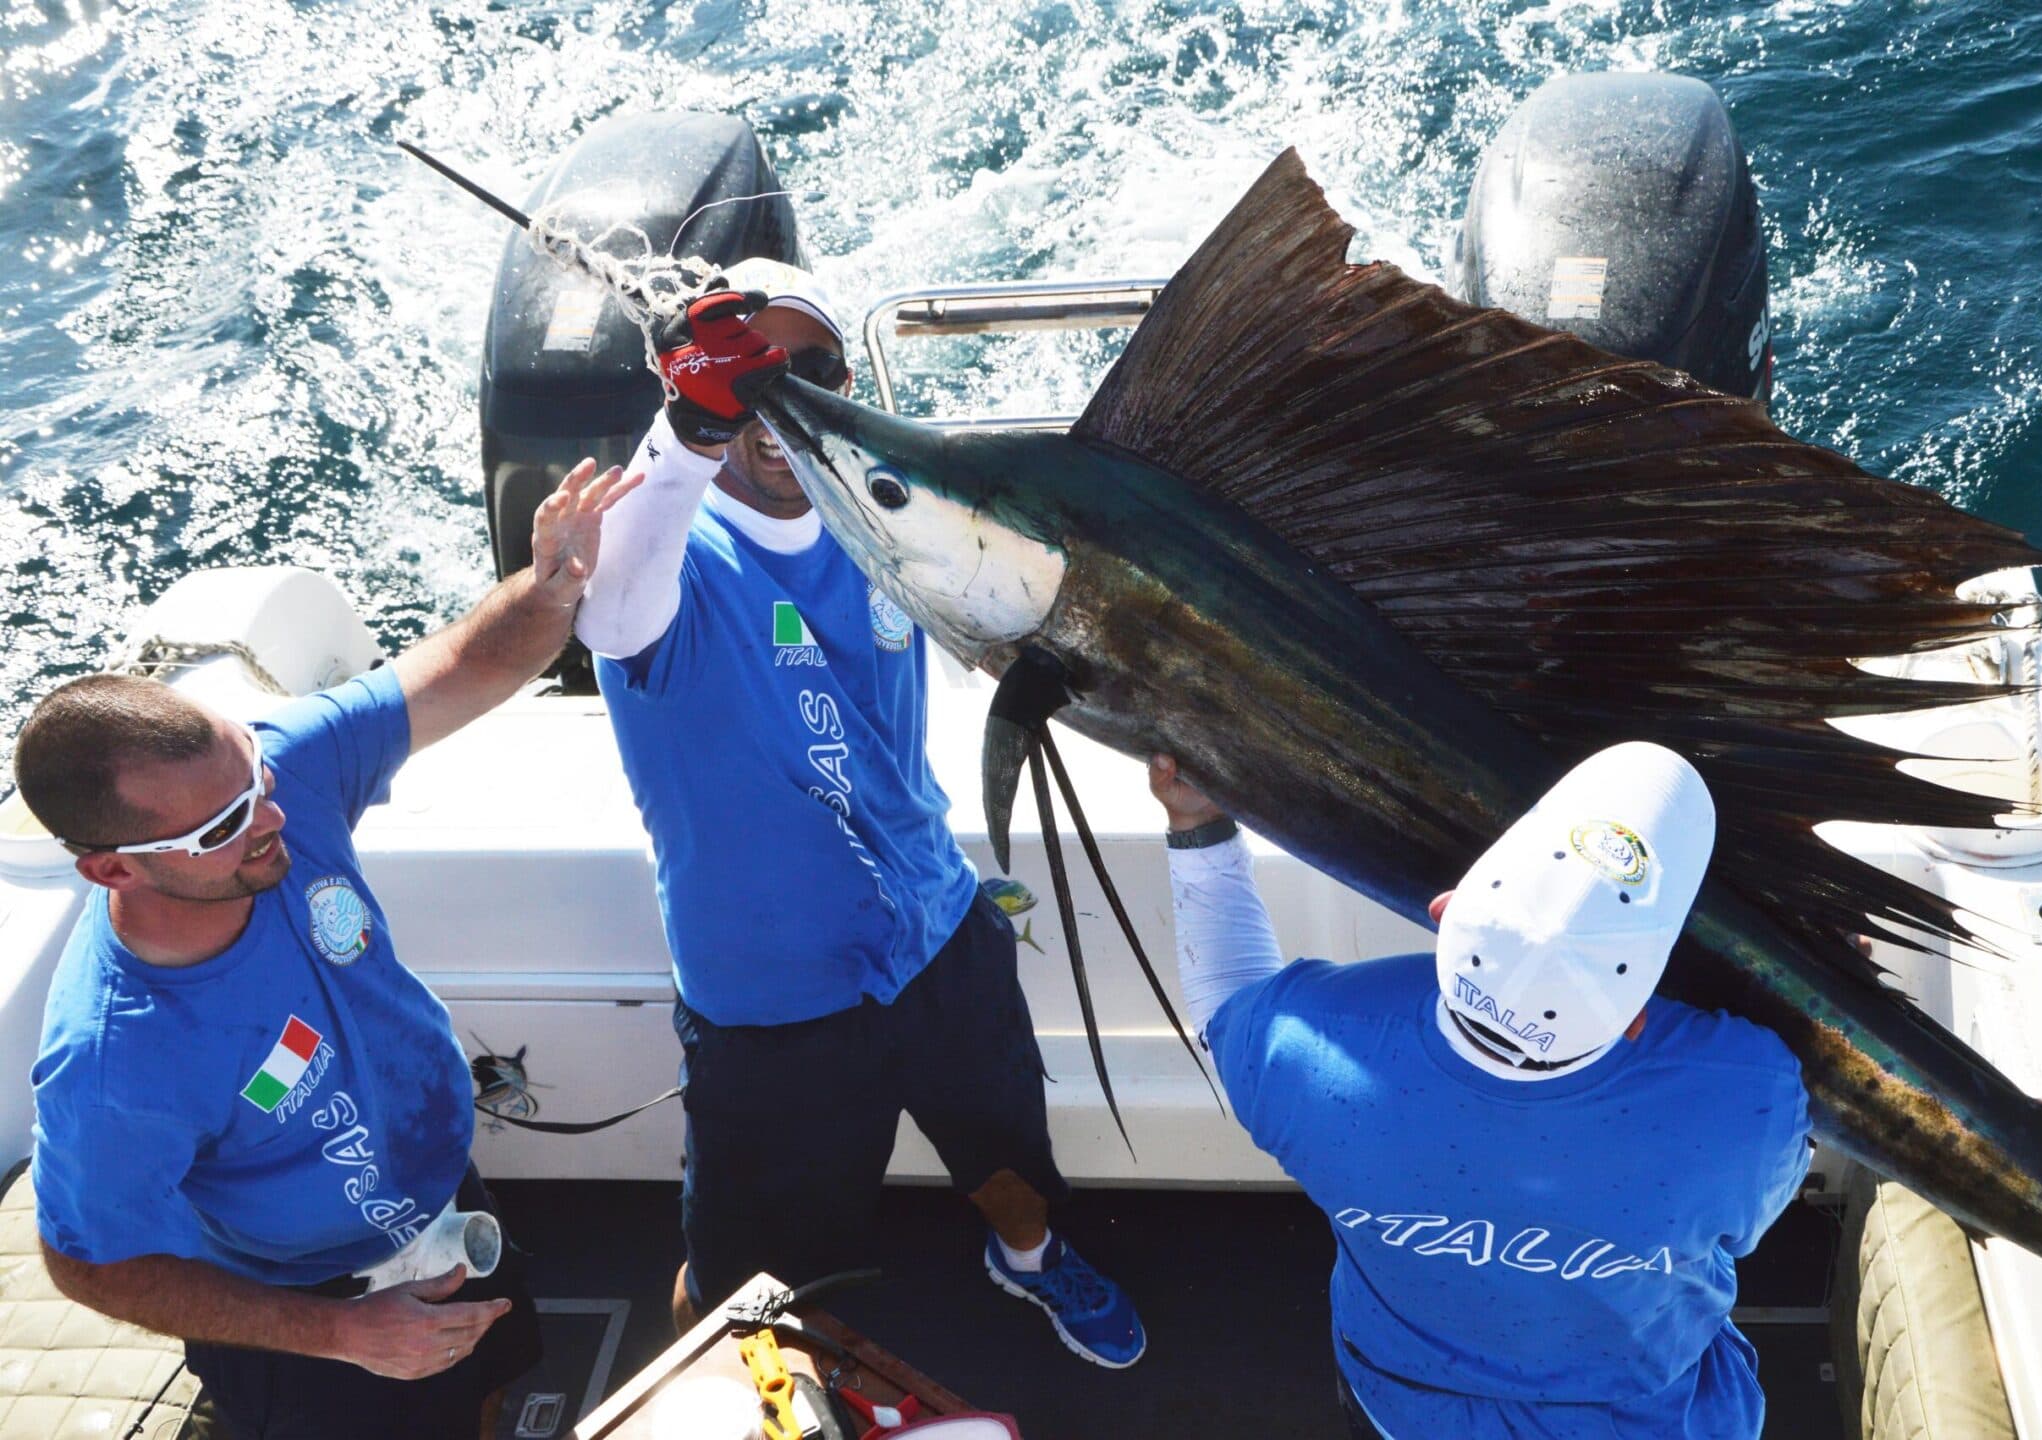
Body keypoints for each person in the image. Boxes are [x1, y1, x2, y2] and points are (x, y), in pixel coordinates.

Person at [573, 258, 1144, 1367]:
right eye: (746, 381)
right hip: (771, 1000)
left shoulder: (887, 519)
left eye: (806, 370)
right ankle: (746, 1371)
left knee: (1010, 1156)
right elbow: (611, 603)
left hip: (936, 931)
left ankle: (1027, 1259)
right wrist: (689, 426)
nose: (773, 401)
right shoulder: (668, 558)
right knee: (746, 1271)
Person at [16, 459, 640, 1440]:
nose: (270, 817)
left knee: (487, 1388)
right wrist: (341, 1335)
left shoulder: (279, 785)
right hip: (309, 1311)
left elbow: (458, 671)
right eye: (220, 826)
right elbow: (88, 1261)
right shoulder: (115, 1059)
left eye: (253, 776)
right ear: (112, 871)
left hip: (445, 1206)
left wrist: (551, 584)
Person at [1149, 742, 1811, 1439]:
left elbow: (1225, 999)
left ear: (1445, 908)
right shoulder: (1748, 1092)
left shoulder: (1306, 1049)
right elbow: (1750, 1223)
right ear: (1641, 1015)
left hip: (1403, 1408)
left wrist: (1199, 822)